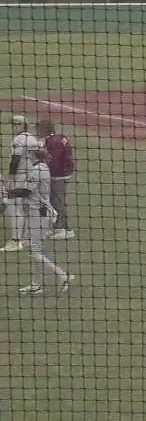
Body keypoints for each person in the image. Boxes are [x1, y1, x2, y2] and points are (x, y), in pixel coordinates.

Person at [10, 146, 70, 296]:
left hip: (39, 215)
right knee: (33, 249)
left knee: (36, 252)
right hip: (37, 214)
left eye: (29, 153)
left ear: (34, 155)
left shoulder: (37, 170)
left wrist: (7, 194)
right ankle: (37, 285)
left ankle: (63, 275)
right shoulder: (40, 168)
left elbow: (25, 192)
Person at [4, 115, 42, 253]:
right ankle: (28, 238)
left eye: (17, 124)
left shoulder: (19, 139)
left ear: (22, 125)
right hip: (33, 175)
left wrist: (11, 178)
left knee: (14, 207)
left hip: (20, 176)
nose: (15, 127)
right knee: (28, 207)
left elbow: (15, 160)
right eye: (14, 124)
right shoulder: (32, 138)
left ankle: (16, 241)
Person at [37, 120, 76, 240]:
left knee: (57, 201)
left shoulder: (53, 141)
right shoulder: (58, 137)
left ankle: (65, 229)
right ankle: (58, 226)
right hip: (64, 172)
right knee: (54, 200)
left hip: (59, 174)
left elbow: (54, 161)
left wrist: (44, 170)